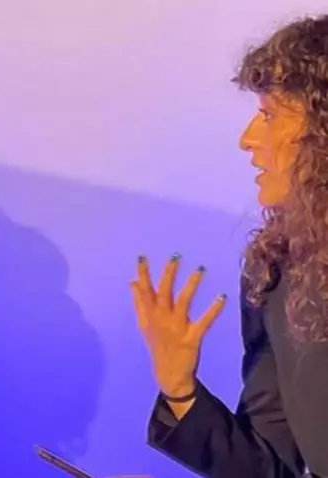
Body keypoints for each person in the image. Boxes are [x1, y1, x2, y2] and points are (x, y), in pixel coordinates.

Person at [132, 14, 328, 478]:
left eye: (270, 115)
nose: (248, 140)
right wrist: (180, 390)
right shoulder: (279, 271)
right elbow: (271, 467)